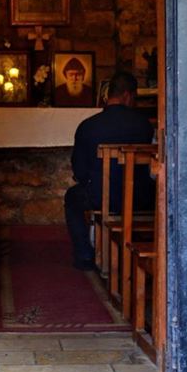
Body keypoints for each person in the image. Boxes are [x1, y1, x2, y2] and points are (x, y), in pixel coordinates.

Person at [64, 71, 155, 270]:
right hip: (141, 199)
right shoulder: (144, 125)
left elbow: (79, 170)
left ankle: (85, 256)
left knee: (72, 197)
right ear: (128, 95)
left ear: (109, 95)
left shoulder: (88, 126)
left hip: (99, 196)